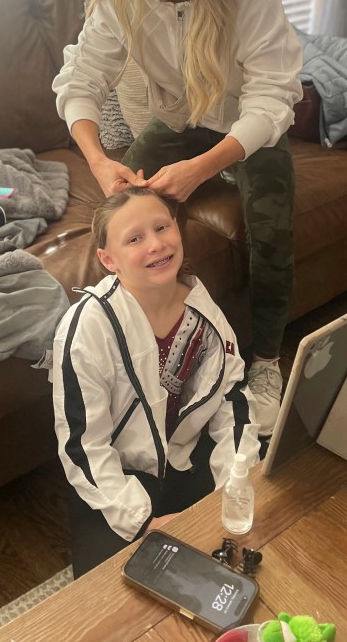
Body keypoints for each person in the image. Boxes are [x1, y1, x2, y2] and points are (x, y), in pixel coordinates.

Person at [52, 0, 302, 435]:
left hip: (246, 126)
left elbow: (273, 96)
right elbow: (81, 80)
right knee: (128, 209)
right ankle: (139, 346)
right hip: (179, 120)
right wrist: (98, 160)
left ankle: (266, 361)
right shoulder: (119, 0)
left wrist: (204, 169)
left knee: (271, 226)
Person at [50, 186, 260, 576]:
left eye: (162, 227)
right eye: (134, 239)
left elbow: (232, 400)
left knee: (245, 550)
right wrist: (143, 521)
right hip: (116, 477)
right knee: (116, 592)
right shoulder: (86, 329)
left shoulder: (203, 309)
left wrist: (236, 480)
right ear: (108, 260)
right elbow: (83, 446)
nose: (156, 244)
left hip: (184, 460)